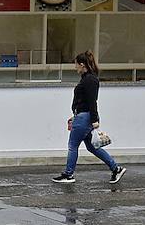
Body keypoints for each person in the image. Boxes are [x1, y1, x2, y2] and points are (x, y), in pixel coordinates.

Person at [53, 50, 126, 184]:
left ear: (82, 64)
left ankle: (68, 175)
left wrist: (94, 120)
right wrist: (76, 115)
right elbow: (85, 101)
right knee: (92, 147)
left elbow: (92, 101)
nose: (75, 67)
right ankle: (116, 168)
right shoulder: (87, 79)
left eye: (76, 64)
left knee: (72, 145)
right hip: (82, 116)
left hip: (84, 117)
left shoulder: (90, 80)